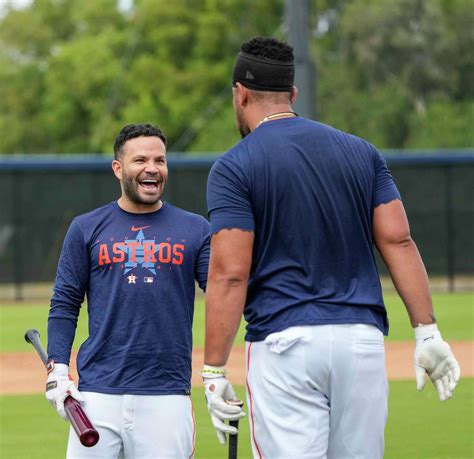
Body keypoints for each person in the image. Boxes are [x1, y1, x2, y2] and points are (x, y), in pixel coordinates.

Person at [201, 37, 461, 459]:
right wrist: (426, 331)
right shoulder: (361, 151)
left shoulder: (235, 166)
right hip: (361, 342)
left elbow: (230, 273)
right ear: (293, 94)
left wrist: (213, 368)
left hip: (284, 345)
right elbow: (398, 239)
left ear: (240, 93)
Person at [46, 123, 210, 458]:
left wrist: (216, 370)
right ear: (118, 168)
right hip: (97, 395)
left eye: (160, 161)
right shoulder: (86, 227)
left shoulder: (196, 229)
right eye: (141, 160)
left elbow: (225, 294)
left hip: (166, 394)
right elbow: (65, 302)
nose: (152, 168)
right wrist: (58, 369)